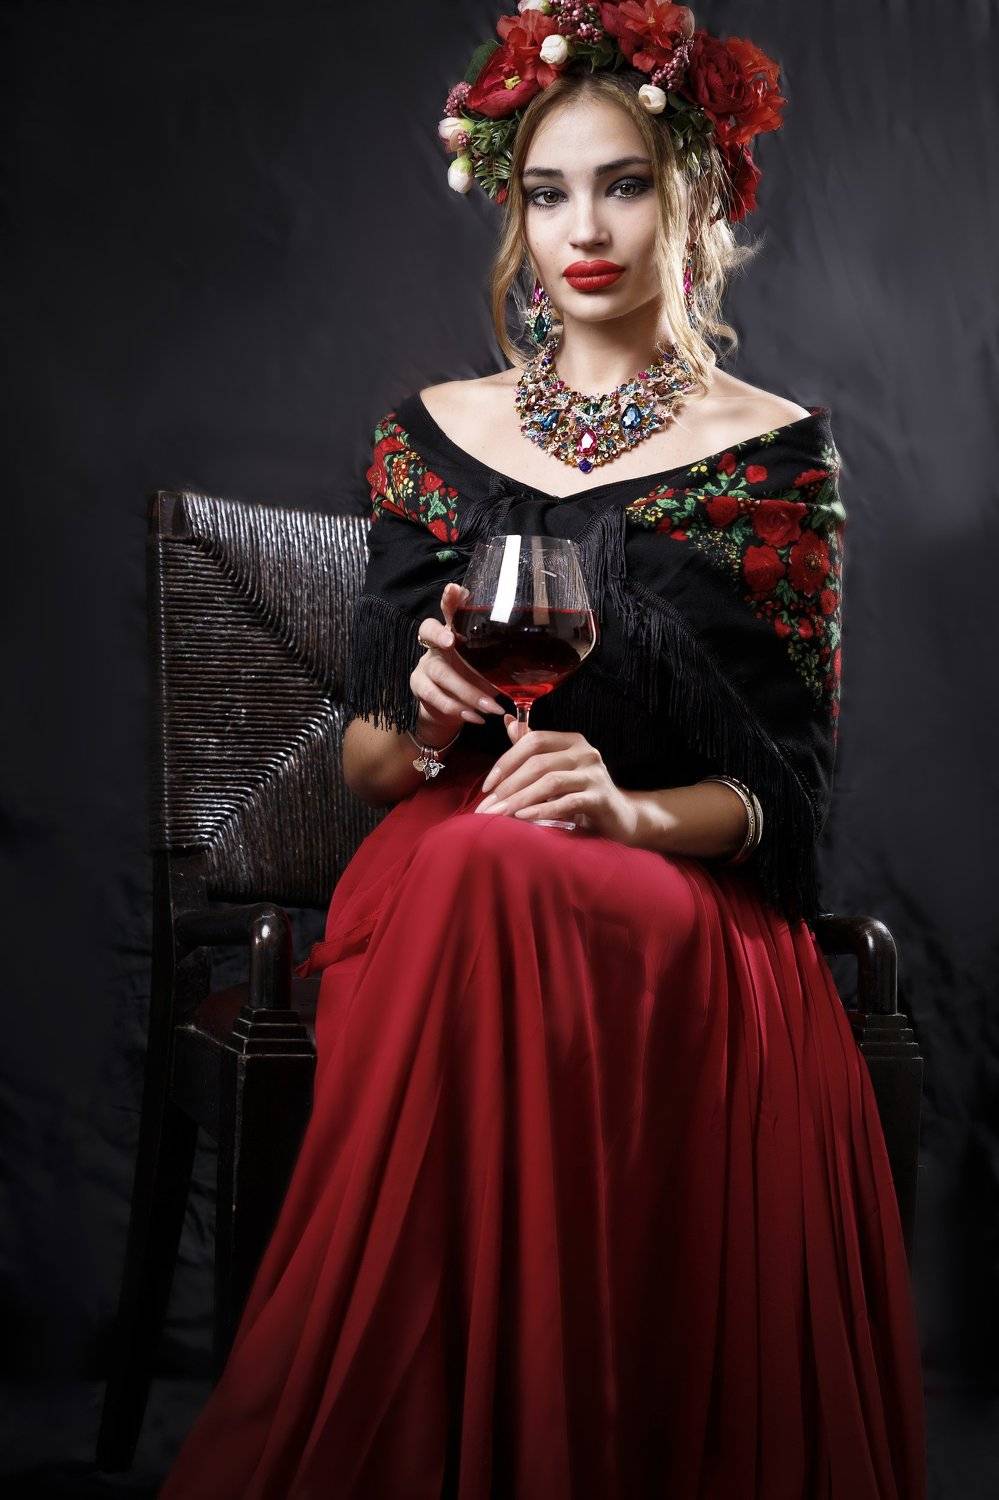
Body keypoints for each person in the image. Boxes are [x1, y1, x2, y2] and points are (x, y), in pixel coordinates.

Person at [159, 5, 927, 1496]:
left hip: (671, 897)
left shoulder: (778, 455)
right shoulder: (430, 435)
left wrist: (626, 814)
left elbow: (786, 805)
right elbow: (372, 765)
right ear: (514, 211)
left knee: (501, 875)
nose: (587, 229)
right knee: (473, 869)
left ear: (694, 194)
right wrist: (428, 711)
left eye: (625, 184)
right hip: (442, 866)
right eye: (550, 191)